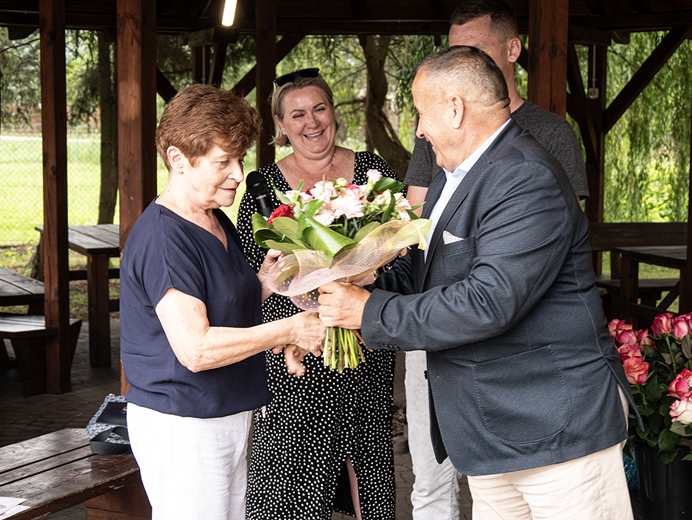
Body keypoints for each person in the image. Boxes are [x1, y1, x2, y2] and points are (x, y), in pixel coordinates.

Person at [318, 46, 637, 520]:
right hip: (491, 431)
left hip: (554, 427)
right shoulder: (450, 179)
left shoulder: (525, 175)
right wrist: (367, 278)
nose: (419, 130)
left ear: (455, 108)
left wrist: (368, 311)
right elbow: (427, 270)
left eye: (422, 114)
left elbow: (490, 301)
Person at [402, 1, 590, 517]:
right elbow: (421, 234)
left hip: (534, 393)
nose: (418, 131)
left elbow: (517, 263)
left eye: (472, 51)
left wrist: (371, 312)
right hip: (452, 349)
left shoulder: (536, 153)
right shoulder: (443, 150)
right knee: (434, 477)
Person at [119, 84, 326, 520]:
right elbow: (196, 348)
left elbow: (223, 301)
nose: (238, 174)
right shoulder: (165, 238)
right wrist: (290, 328)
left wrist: (267, 281)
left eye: (240, 159)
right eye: (223, 162)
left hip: (225, 412)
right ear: (178, 159)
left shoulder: (212, 218)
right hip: (184, 423)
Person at [237, 68, 397, 520]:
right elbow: (254, 278)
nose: (312, 122)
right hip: (297, 353)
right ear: (280, 124)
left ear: (333, 113)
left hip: (362, 343)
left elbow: (401, 252)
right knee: (293, 472)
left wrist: (367, 274)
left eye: (320, 109)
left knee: (366, 459)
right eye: (298, 114)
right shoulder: (262, 188)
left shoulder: (371, 173)